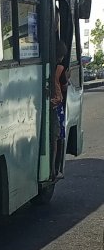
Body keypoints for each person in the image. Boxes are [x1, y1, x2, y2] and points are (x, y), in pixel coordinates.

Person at [50, 40, 68, 179]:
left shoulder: (47, 66)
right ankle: (54, 168)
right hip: (56, 105)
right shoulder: (60, 69)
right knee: (56, 137)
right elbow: (64, 87)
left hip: (48, 104)